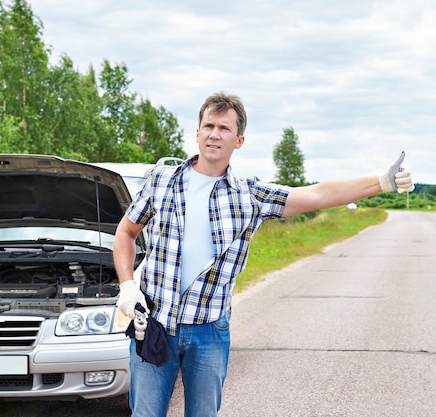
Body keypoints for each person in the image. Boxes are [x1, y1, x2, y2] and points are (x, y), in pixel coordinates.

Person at [113, 92, 414, 417]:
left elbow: (317, 194)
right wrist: (128, 285)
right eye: (209, 126)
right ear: (197, 133)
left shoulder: (250, 195)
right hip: (155, 323)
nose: (215, 134)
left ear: (239, 140)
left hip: (209, 330)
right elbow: (125, 233)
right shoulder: (161, 182)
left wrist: (381, 182)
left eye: (224, 129)